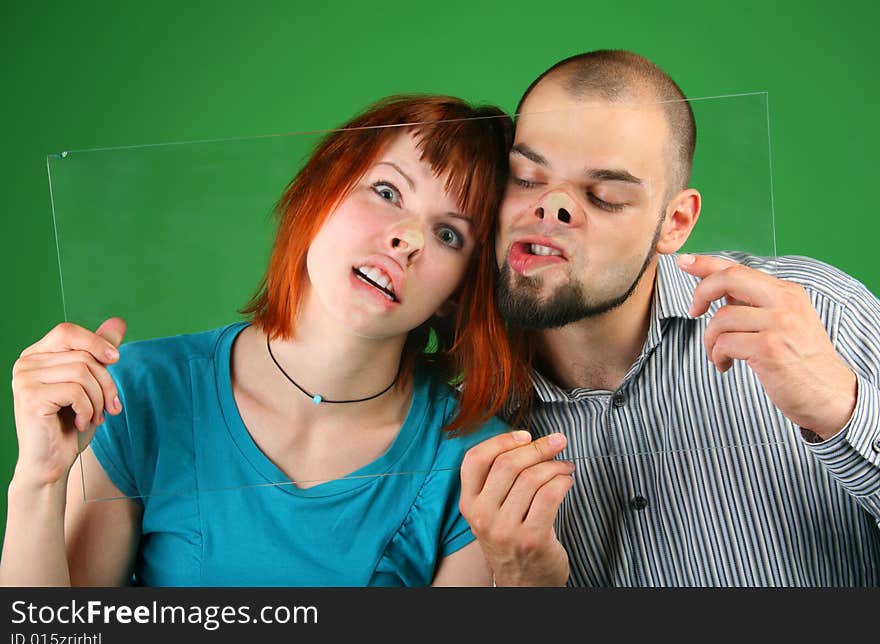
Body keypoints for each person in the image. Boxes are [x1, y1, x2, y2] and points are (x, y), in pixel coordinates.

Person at [1, 94, 520, 586]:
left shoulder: (481, 463)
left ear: (459, 291)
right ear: (321, 194)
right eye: (386, 192)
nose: (407, 239)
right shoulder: (138, 391)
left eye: (449, 234)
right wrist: (39, 482)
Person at [460, 50, 880, 586]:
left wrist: (844, 410)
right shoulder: (458, 408)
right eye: (525, 177)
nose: (552, 207)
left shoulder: (819, 312)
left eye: (605, 194)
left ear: (674, 223)